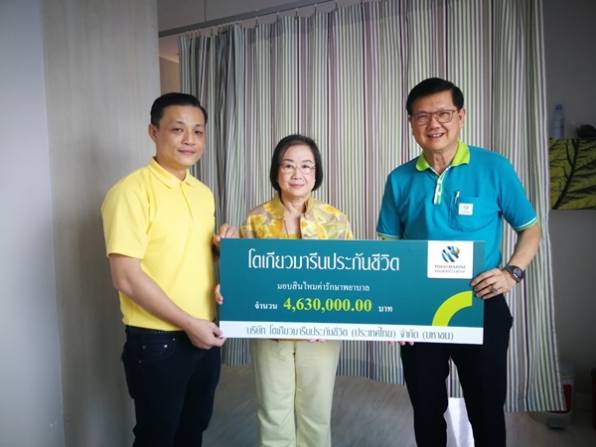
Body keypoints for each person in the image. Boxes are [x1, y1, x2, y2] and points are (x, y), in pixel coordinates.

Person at [377, 78, 541, 447]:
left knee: (486, 407)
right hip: (420, 311)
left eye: (443, 114)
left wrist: (512, 272)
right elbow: (390, 250)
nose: (433, 124)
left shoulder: (493, 167)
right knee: (426, 407)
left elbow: (530, 229)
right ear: (411, 123)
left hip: (481, 305)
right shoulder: (399, 179)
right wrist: (395, 313)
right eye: (422, 116)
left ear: (461, 116)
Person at [101, 92, 235, 446]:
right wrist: (189, 323)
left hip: (205, 332)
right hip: (158, 341)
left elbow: (189, 257)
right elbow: (126, 277)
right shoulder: (129, 192)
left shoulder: (202, 193)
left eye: (198, 131)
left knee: (193, 430)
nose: (190, 139)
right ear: (153, 132)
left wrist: (223, 249)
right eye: (178, 129)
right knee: (157, 437)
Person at [240, 134, 353, 447]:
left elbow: (350, 279)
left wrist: (330, 320)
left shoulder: (335, 219)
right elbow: (245, 278)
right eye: (288, 165)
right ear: (276, 171)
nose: (297, 174)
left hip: (321, 332)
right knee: (273, 410)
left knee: (316, 411)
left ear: (316, 173)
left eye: (306, 166)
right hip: (270, 331)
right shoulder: (256, 218)